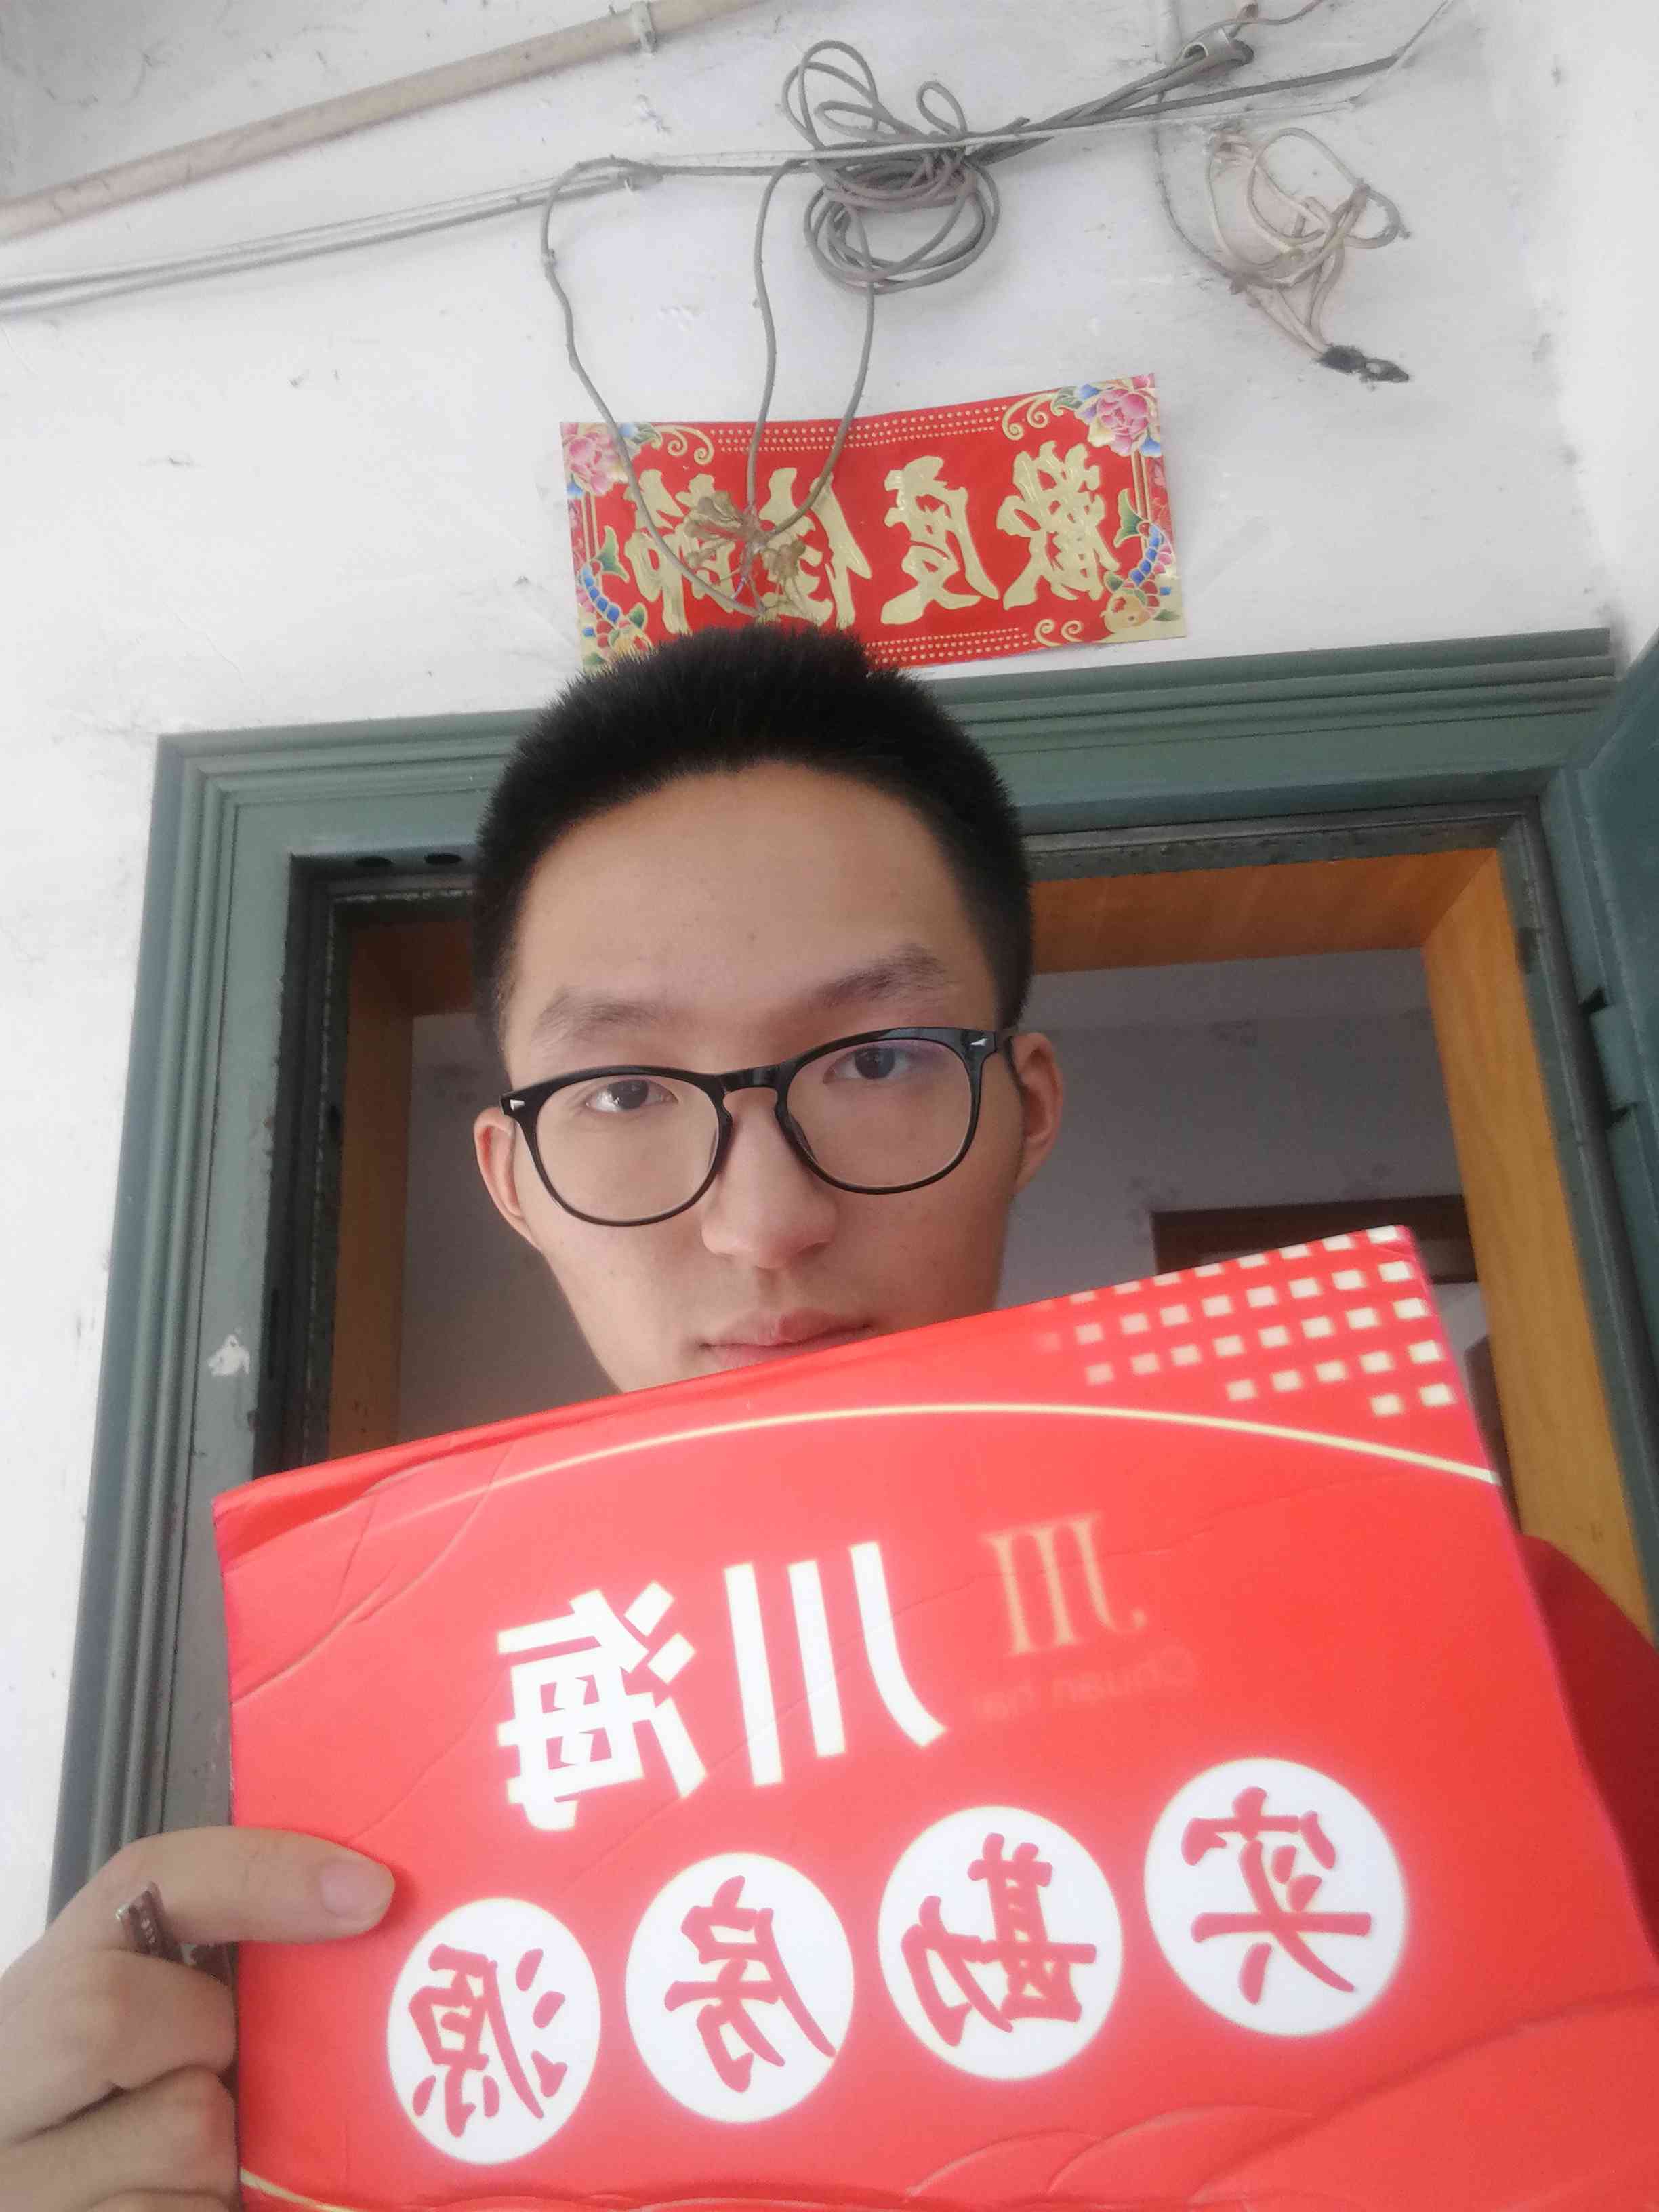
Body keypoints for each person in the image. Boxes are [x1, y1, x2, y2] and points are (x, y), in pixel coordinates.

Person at [1, 624, 1653, 2207]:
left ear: (1023, 1108)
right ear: (515, 1182)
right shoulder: (326, 1862)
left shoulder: (1488, 1643)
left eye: (875, 1061)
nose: (764, 1221)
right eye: (623, 1091)